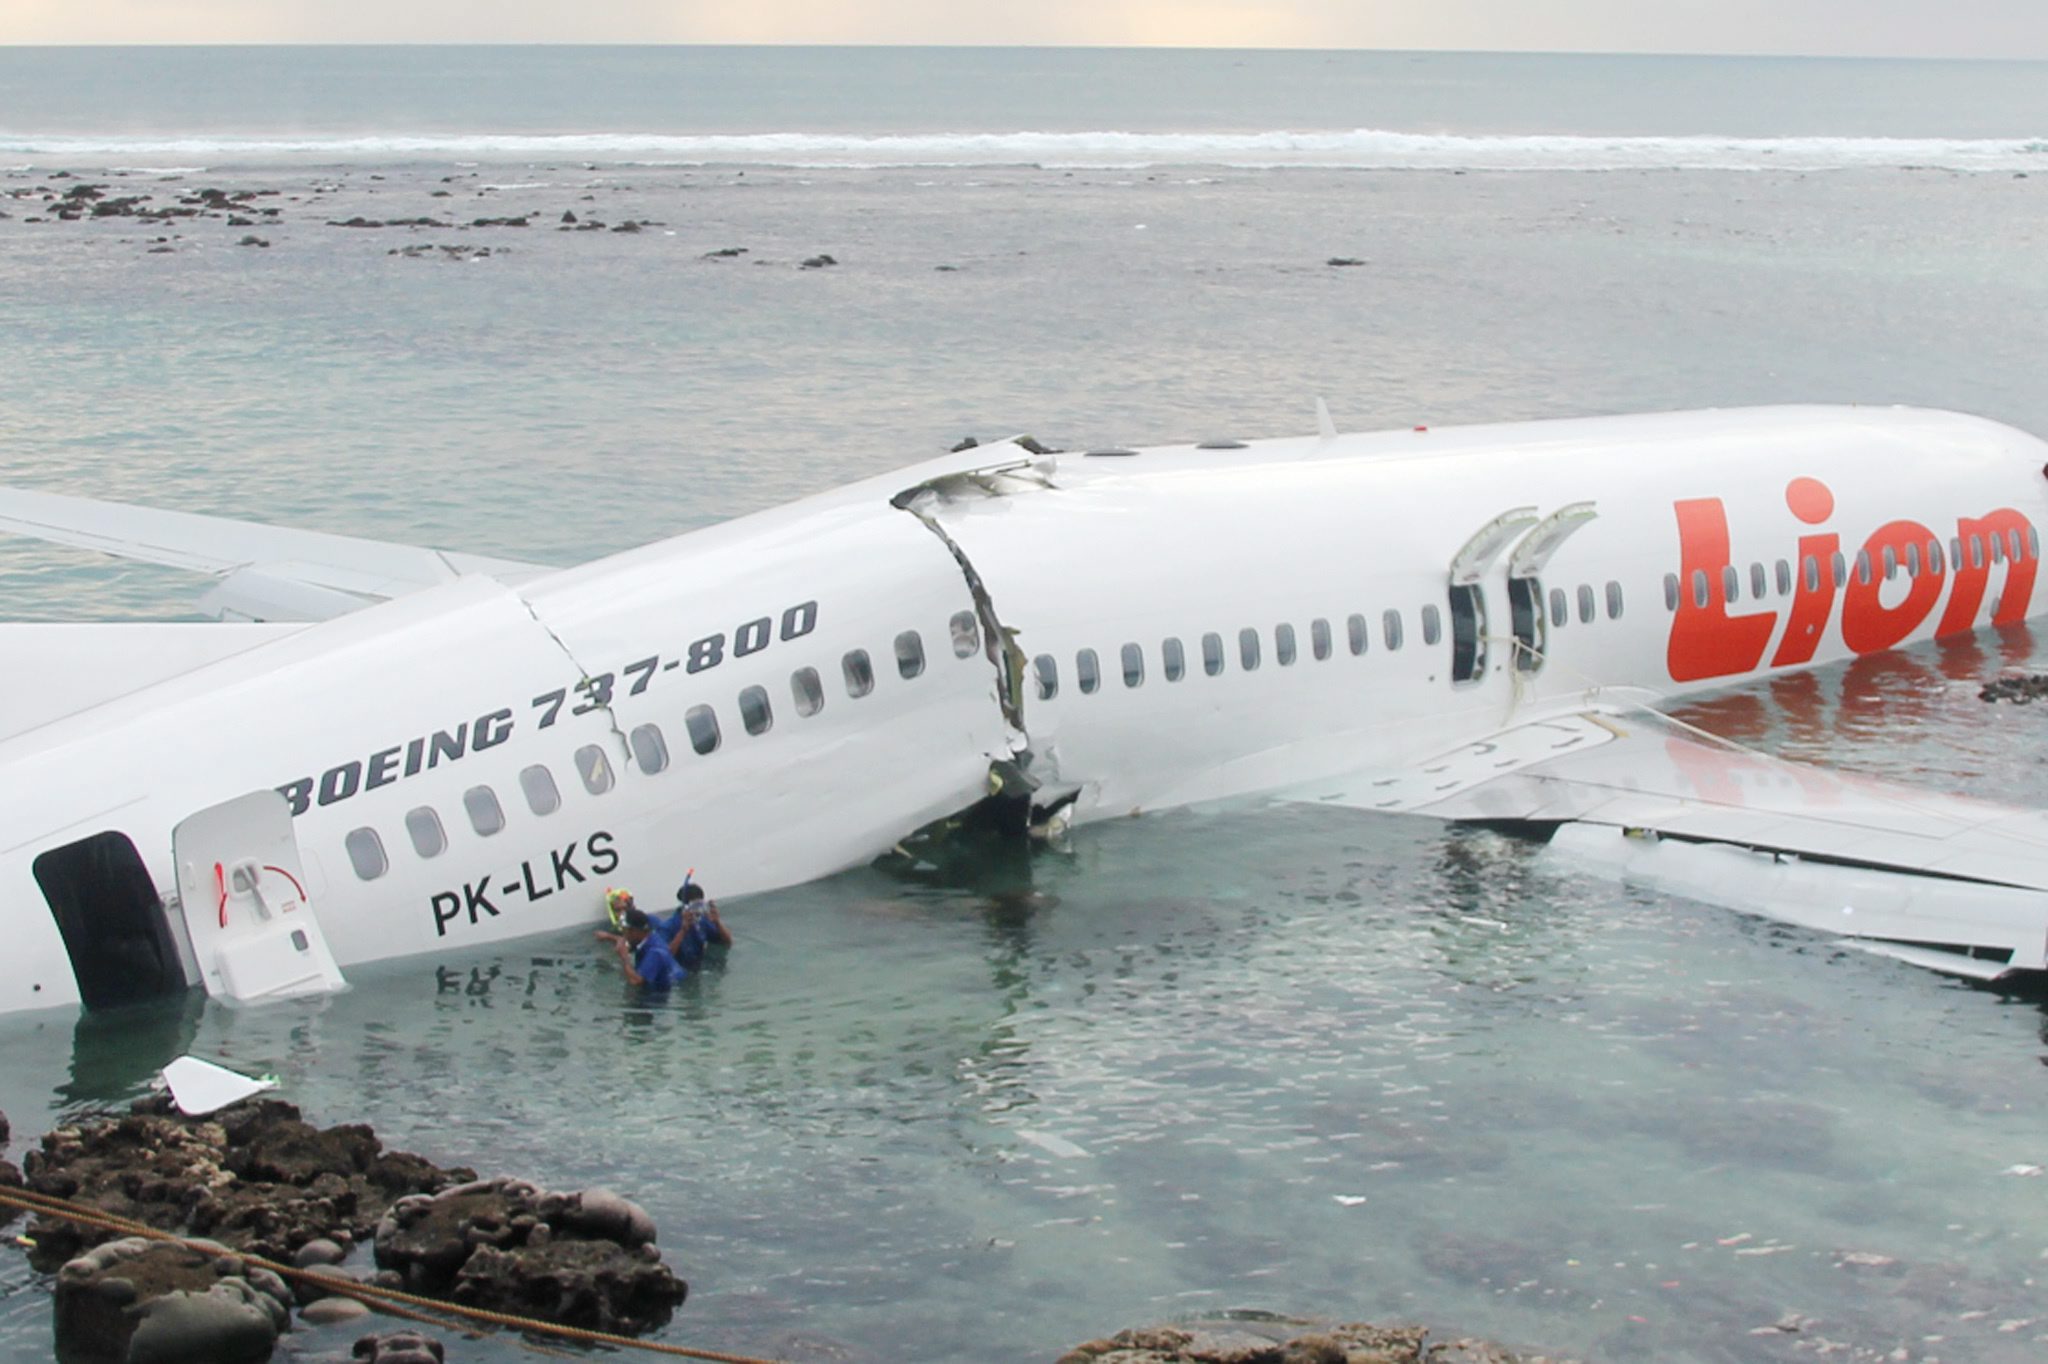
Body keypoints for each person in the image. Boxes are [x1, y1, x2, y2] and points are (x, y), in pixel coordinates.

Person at [593, 902, 684, 989]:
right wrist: (609, 937)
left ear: (635, 931)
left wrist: (624, 958)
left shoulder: (655, 953)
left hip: (662, 994)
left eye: (626, 931)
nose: (624, 935)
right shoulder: (651, 937)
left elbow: (635, 981)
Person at [656, 880, 732, 971]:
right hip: (678, 969)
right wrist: (683, 931)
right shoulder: (667, 927)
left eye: (701, 906)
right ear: (685, 907)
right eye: (695, 906)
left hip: (698, 966)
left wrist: (717, 922)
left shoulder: (702, 922)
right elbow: (663, 957)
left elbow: (727, 942)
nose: (698, 911)